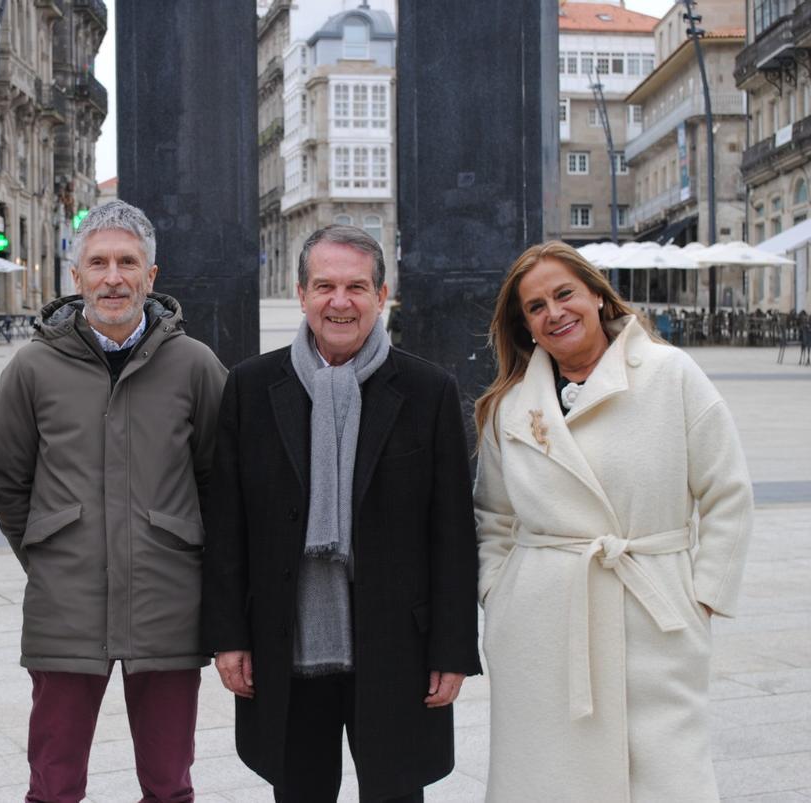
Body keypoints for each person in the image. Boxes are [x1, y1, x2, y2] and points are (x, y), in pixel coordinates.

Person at [201, 225, 482, 801]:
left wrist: (452, 649)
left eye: (357, 287)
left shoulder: (428, 391)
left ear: (382, 297)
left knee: (396, 791)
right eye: (324, 285)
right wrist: (229, 636)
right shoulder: (251, 388)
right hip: (286, 642)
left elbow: (453, 533)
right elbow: (228, 527)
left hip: (397, 646)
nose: (340, 301)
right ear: (301, 293)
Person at [473, 241, 753, 802]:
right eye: (535, 306)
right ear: (524, 325)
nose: (554, 312)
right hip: (540, 626)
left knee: (666, 773)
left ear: (597, 295)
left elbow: (727, 491)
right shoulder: (509, 407)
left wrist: (698, 598)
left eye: (564, 293)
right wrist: (498, 593)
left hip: (651, 613)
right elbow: (494, 516)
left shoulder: (670, 374)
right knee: (547, 777)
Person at [0, 200, 227, 802]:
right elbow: (8, 481)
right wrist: (51, 552)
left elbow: (220, 480)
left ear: (151, 275)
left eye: (128, 262)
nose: (113, 277)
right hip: (65, 607)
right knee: (54, 780)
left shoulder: (195, 366)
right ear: (77, 277)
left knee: (170, 783)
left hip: (168, 605)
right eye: (99, 263)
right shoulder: (33, 369)